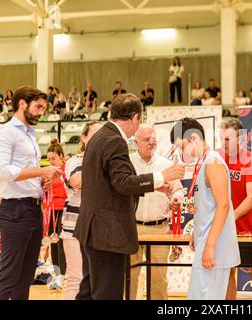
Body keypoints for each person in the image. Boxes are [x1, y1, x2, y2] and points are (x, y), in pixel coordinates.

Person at [73, 93, 185, 300]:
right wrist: (162, 176)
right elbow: (122, 183)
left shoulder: (99, 136)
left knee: (89, 292)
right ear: (135, 118)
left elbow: (108, 183)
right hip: (107, 233)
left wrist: (152, 186)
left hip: (92, 229)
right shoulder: (115, 140)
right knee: (107, 293)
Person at [0, 85, 63, 300]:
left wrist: (42, 181)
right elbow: (2, 171)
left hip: (33, 208)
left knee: (26, 275)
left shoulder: (30, 135)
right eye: (38, 107)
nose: (42, 112)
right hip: (15, 210)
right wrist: (42, 170)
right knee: (10, 274)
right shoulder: (6, 133)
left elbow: (23, 174)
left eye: (43, 107)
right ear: (22, 103)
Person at [170, 117, 240, 300]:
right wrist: (197, 234)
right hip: (208, 241)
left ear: (193, 137)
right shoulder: (204, 162)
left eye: (181, 145)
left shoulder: (213, 162)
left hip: (214, 245)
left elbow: (223, 205)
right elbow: (208, 206)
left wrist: (209, 245)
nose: (181, 151)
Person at [129, 125, 183, 300]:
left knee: (158, 279)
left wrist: (176, 199)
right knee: (129, 277)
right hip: (131, 228)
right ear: (136, 142)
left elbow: (178, 190)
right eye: (146, 140)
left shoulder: (166, 165)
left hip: (160, 229)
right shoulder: (127, 163)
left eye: (154, 139)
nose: (151, 143)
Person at [219, 118, 252, 300]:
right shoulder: (216, 158)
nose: (223, 143)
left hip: (250, 226)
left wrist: (230, 217)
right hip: (225, 225)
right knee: (228, 271)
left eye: (227, 139)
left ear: (240, 139)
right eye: (221, 138)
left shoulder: (249, 160)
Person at [61, 121, 103, 300]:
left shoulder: (106, 160)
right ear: (84, 138)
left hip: (99, 228)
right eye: (94, 136)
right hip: (74, 228)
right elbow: (76, 181)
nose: (99, 141)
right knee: (76, 279)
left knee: (97, 281)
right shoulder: (75, 160)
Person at [45, 139, 68, 289]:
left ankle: (63, 276)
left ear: (61, 156)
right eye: (48, 159)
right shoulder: (48, 171)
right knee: (53, 243)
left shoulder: (68, 169)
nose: (51, 161)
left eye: (53, 158)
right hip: (51, 210)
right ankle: (57, 274)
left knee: (61, 244)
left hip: (65, 209)